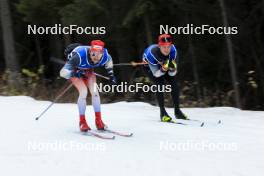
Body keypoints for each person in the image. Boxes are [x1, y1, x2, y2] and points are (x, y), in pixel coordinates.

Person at [60, 40, 116, 132]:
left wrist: (111, 74)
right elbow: (62, 73)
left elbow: (109, 61)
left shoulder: (105, 56)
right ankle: (82, 122)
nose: (96, 57)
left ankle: (99, 121)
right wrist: (73, 72)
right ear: (90, 51)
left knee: (95, 93)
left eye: (99, 54)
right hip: (75, 72)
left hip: (88, 72)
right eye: (94, 53)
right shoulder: (78, 57)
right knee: (83, 92)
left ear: (102, 52)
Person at [142, 34, 187, 122]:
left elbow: (172, 74)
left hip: (163, 65)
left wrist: (172, 69)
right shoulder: (152, 54)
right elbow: (156, 74)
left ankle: (177, 111)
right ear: (159, 46)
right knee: (160, 84)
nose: (167, 49)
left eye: (168, 46)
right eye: (164, 47)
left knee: (174, 84)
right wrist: (163, 69)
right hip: (151, 68)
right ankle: (162, 113)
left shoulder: (173, 51)